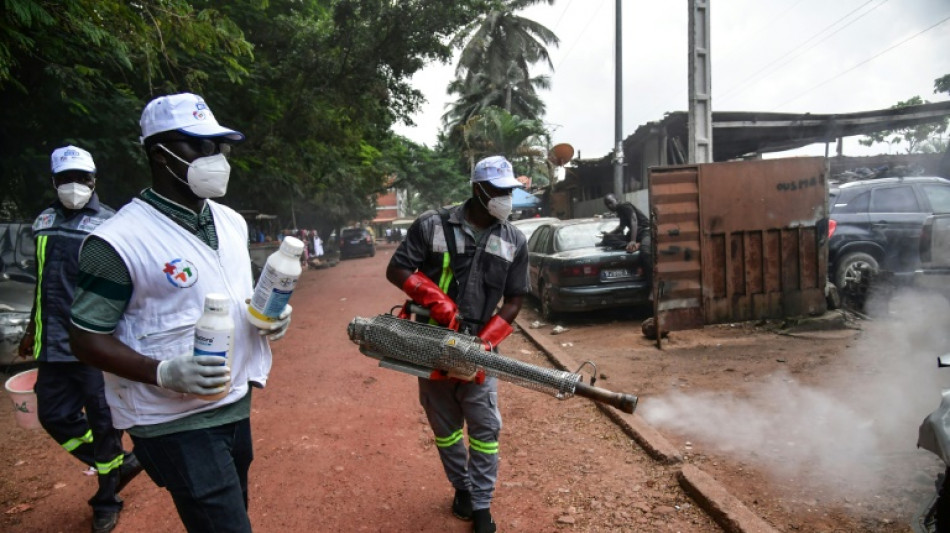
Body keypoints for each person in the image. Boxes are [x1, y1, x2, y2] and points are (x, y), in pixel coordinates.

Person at [69, 93, 291, 533]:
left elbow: (230, 290)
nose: (216, 157)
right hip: (170, 419)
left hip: (234, 402)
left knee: (232, 514)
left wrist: (268, 315)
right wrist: (162, 372)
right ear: (160, 154)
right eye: (199, 146)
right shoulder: (117, 241)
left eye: (219, 147)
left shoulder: (229, 221)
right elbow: (85, 338)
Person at [386, 155, 530, 533]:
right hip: (430, 342)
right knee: (446, 427)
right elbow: (397, 268)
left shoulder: (514, 239)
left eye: (509, 191)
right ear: (477, 189)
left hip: (481, 349)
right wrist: (436, 299)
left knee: (485, 429)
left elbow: (515, 299)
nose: (505, 198)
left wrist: (485, 341)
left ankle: (481, 504)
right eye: (498, 191)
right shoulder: (431, 225)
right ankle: (461, 488)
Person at [17, 146, 142, 533]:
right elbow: (43, 283)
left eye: (82, 178)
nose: (75, 186)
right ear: (54, 182)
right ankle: (118, 463)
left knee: (104, 421)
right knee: (53, 416)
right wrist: (31, 328)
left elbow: (128, 286)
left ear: (93, 180)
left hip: (94, 342)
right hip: (52, 343)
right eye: (66, 179)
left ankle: (107, 499)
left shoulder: (111, 224)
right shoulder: (43, 220)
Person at [603, 193, 653, 289]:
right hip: (635, 236)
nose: (609, 206)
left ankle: (652, 286)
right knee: (607, 238)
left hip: (645, 232)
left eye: (610, 202)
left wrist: (633, 241)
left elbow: (633, 220)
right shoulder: (620, 211)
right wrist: (607, 235)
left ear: (617, 199)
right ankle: (634, 245)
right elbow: (621, 228)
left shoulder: (624, 205)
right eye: (607, 204)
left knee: (645, 252)